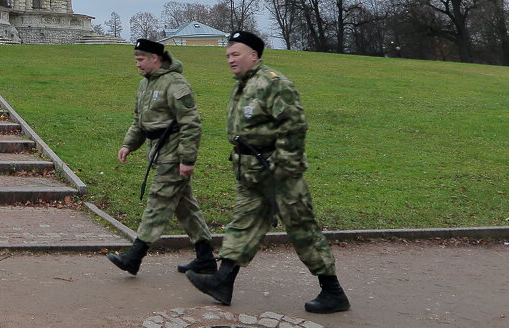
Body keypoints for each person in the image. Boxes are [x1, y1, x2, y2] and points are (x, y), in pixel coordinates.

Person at [186, 30, 350, 314]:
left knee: (302, 230)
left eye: (235, 54)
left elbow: (294, 125)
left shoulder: (273, 84)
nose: (230, 60)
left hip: (278, 175)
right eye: (228, 55)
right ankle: (222, 282)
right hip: (251, 174)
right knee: (241, 224)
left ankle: (333, 292)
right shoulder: (243, 85)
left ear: (254, 54)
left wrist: (282, 167)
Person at [107, 38, 214, 276]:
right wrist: (128, 145)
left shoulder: (174, 83)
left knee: (158, 201)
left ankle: (134, 256)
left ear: (155, 58)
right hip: (158, 150)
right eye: (136, 59)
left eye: (141, 59)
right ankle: (205, 258)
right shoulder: (145, 85)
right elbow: (140, 120)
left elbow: (191, 123)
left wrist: (187, 159)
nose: (137, 64)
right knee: (185, 206)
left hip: (173, 153)